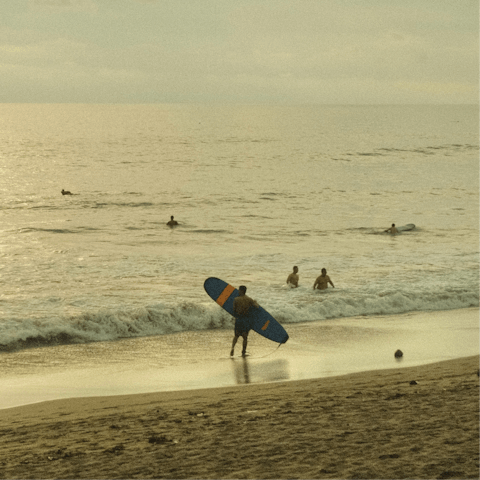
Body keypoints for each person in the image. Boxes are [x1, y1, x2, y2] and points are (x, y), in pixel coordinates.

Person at [231, 286, 259, 357]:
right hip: (246, 320)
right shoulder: (249, 299)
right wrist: (255, 302)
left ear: (241, 291)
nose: (238, 292)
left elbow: (234, 310)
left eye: (239, 290)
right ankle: (243, 351)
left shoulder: (236, 299)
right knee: (245, 337)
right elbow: (256, 307)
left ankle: (232, 348)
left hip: (239, 319)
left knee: (236, 336)